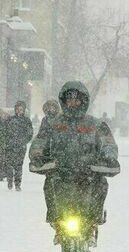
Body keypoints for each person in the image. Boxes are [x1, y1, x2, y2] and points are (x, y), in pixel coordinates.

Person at [29, 82, 119, 224]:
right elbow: (39, 141)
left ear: (84, 102)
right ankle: (54, 219)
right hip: (61, 172)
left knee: (101, 183)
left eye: (77, 100)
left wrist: (110, 158)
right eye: (69, 100)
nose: (73, 103)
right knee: (50, 182)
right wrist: (37, 155)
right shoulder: (52, 124)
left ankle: (95, 219)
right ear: (63, 102)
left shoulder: (96, 124)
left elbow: (109, 144)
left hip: (89, 173)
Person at [4, 101, 33, 191]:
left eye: (21, 109)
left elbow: (30, 133)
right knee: (9, 164)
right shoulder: (10, 119)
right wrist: (8, 141)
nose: (19, 111)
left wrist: (23, 141)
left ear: (24, 110)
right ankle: (9, 181)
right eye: (17, 109)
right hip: (10, 145)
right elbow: (5, 131)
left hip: (21, 147)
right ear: (15, 110)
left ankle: (17, 183)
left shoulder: (26, 120)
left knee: (18, 165)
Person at [0, 109, 10, 182]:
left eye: (5, 115)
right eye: (2, 115)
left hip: (7, 145)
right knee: (0, 160)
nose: (3, 116)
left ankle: (5, 173)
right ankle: (0, 174)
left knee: (7, 160)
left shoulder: (9, 124)